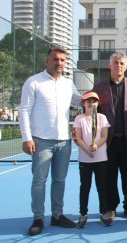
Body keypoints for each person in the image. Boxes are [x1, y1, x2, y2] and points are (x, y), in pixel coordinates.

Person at [19, 48, 82, 236]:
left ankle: (57, 215)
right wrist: (27, 138)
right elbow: (24, 111)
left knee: (60, 180)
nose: (59, 63)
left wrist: (95, 97)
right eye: (55, 59)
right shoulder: (33, 82)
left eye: (63, 60)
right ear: (47, 61)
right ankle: (38, 218)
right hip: (41, 141)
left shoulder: (68, 83)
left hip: (64, 141)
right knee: (39, 181)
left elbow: (79, 101)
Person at [93, 52, 127, 221]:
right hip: (108, 141)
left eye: (121, 63)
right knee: (109, 177)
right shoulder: (99, 87)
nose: (118, 65)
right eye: (115, 63)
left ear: (126, 66)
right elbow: (92, 113)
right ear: (109, 65)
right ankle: (111, 207)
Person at [73, 91, 111, 228]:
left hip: (101, 158)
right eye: (88, 101)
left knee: (102, 186)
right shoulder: (79, 119)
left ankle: (104, 213)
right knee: (85, 187)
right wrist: (87, 149)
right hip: (85, 159)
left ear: (97, 103)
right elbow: (78, 138)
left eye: (94, 101)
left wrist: (95, 146)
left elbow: (104, 137)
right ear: (84, 103)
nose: (91, 103)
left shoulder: (102, 117)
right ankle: (83, 215)